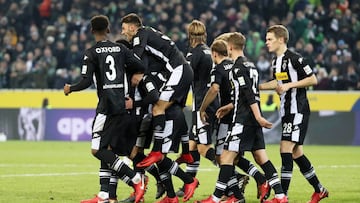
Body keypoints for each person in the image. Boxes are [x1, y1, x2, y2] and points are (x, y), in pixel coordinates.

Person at [195, 32, 288, 203]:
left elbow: (248, 94)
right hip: (251, 119)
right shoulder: (251, 66)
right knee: (261, 158)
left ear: (230, 47)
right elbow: (249, 93)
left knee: (226, 157)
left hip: (243, 120)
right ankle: (281, 196)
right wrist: (231, 106)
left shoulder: (238, 68)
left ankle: (217, 198)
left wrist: (258, 116)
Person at [63, 15, 147, 203]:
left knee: (97, 149)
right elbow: (140, 65)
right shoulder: (121, 48)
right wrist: (135, 75)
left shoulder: (91, 53)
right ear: (108, 30)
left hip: (106, 107)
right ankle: (104, 194)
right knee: (107, 149)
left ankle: (134, 178)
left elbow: (86, 81)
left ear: (92, 31)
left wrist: (71, 88)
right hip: (121, 107)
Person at [121, 13, 199, 203]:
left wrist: (123, 63)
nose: (123, 32)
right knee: (164, 107)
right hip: (178, 71)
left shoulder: (141, 34)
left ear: (132, 27)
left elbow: (136, 55)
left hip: (179, 70)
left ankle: (163, 155)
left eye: (124, 28)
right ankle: (172, 189)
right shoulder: (152, 41)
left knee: (158, 107)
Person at [260, 24, 329, 203]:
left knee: (285, 149)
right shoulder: (276, 62)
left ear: (281, 39)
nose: (266, 42)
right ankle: (319, 190)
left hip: (297, 109)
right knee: (296, 153)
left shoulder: (295, 59)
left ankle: (281, 196)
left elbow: (313, 79)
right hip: (286, 110)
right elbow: (277, 82)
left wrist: (289, 85)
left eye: (270, 39)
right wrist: (258, 87)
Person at [175, 19, 219, 197]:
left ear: (190, 36)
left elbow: (185, 76)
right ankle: (188, 183)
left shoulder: (195, 53)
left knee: (202, 147)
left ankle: (232, 175)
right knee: (192, 146)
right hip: (209, 102)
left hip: (203, 104)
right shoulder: (210, 52)